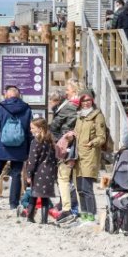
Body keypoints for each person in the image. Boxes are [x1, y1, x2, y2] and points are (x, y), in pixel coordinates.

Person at [0, 85, 33, 210]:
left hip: (1, 146)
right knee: (16, 174)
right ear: (18, 96)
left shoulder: (0, 108)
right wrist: (28, 150)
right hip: (20, 146)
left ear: (7, 95)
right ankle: (13, 203)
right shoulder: (26, 108)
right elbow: (29, 131)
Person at [71, 89, 109, 226]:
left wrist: (92, 143)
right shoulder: (79, 116)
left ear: (92, 100)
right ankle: (84, 215)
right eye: (83, 100)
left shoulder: (97, 116)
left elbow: (102, 137)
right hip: (78, 156)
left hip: (90, 154)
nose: (86, 103)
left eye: (88, 100)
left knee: (87, 188)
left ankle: (92, 216)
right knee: (79, 187)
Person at [48, 83, 80, 218]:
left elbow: (56, 128)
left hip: (66, 146)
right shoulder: (70, 108)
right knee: (68, 179)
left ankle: (68, 207)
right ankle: (66, 205)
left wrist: (55, 141)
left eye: (52, 100)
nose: (50, 103)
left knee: (64, 178)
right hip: (69, 145)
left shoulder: (67, 109)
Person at [23, 118, 58, 224]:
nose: (30, 130)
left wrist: (28, 174)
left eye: (32, 128)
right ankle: (44, 220)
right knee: (45, 198)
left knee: (34, 195)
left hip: (38, 173)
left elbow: (32, 160)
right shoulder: (50, 140)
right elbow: (54, 158)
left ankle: (30, 217)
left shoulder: (35, 141)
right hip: (50, 172)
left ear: (40, 128)